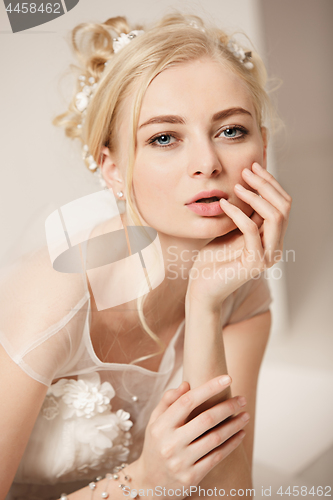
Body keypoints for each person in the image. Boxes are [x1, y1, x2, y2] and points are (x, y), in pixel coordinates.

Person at [0, 12, 292, 500]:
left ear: (262, 143)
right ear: (113, 169)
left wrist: (204, 305)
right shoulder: (54, 295)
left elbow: (227, 494)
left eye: (232, 131)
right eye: (164, 138)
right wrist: (144, 480)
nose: (207, 164)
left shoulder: (239, 284)